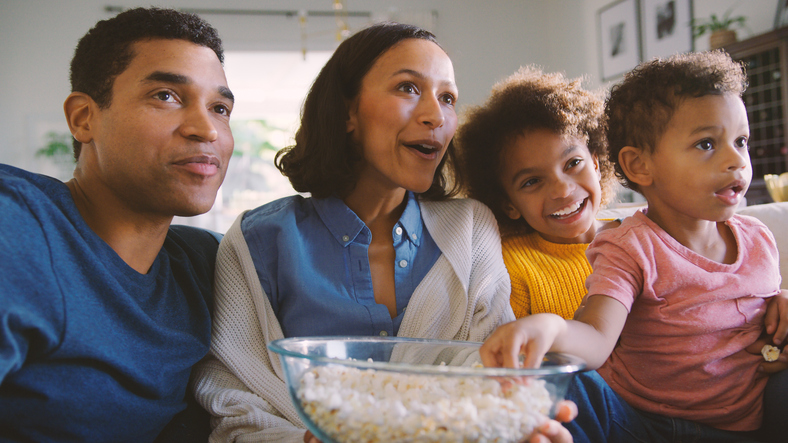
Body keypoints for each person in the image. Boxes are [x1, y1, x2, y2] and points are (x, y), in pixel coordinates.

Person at [192, 22, 574, 443]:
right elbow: (235, 410)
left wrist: (516, 423)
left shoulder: (470, 228)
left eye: (448, 98)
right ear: (348, 112)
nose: (437, 116)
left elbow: (492, 381)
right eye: (408, 88)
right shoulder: (255, 241)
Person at [480, 50, 788, 443]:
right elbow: (595, 339)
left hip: (749, 422)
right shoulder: (629, 246)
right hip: (645, 426)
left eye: (740, 140)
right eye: (707, 144)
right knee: (565, 380)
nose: (736, 160)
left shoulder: (759, 238)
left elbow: (757, 321)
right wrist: (551, 327)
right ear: (640, 166)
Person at [0, 7, 234, 442]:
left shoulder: (208, 263)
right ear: (83, 118)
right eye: (166, 95)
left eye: (220, 108)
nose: (208, 130)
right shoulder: (18, 225)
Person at [455, 66, 618, 320]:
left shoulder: (640, 238)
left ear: (596, 165)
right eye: (532, 182)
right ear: (509, 204)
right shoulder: (510, 266)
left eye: (573, 163)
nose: (562, 189)